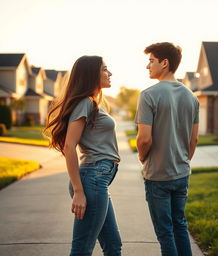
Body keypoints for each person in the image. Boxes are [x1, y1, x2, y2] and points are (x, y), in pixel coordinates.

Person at [44, 55, 122, 256]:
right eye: (105, 69)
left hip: (97, 179)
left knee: (113, 245)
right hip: (92, 180)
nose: (110, 73)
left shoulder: (92, 103)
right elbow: (70, 146)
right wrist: (78, 191)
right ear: (91, 75)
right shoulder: (84, 103)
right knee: (82, 249)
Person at [135, 42, 199, 256]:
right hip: (182, 173)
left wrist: (142, 158)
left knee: (165, 232)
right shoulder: (192, 97)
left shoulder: (148, 95)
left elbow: (144, 139)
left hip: (158, 176)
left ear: (165, 63)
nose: (147, 66)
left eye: (151, 61)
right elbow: (194, 139)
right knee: (180, 225)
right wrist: (183, 161)